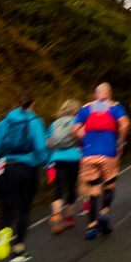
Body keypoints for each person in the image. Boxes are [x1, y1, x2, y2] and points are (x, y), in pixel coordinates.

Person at [0, 92, 48, 262]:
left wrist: (5, 156)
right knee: (23, 209)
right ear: (33, 103)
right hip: (27, 169)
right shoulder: (35, 122)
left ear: (16, 103)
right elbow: (40, 147)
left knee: (6, 207)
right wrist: (45, 163)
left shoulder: (3, 122)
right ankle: (19, 250)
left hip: (6, 168)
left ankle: (2, 239)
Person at [73, 82, 130, 239]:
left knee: (93, 190)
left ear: (95, 94)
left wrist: (81, 144)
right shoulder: (115, 106)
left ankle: (91, 227)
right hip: (108, 152)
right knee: (110, 184)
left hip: (89, 153)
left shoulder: (85, 108)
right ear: (109, 93)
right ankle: (103, 212)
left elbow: (74, 130)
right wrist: (120, 142)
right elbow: (124, 124)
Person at [46, 99, 83, 233]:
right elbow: (81, 138)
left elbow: (49, 143)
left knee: (59, 187)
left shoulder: (54, 124)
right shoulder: (77, 121)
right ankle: (69, 218)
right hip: (75, 157)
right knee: (72, 187)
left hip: (58, 158)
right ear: (75, 110)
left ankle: (56, 216)